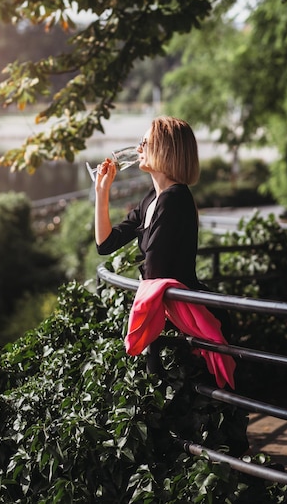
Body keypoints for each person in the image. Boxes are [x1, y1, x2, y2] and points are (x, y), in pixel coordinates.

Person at [94, 116, 231, 376]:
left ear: (164, 150)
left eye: (144, 143)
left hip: (188, 316)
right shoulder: (153, 199)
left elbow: (154, 269)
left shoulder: (175, 199)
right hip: (173, 315)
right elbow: (106, 244)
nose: (138, 150)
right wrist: (102, 193)